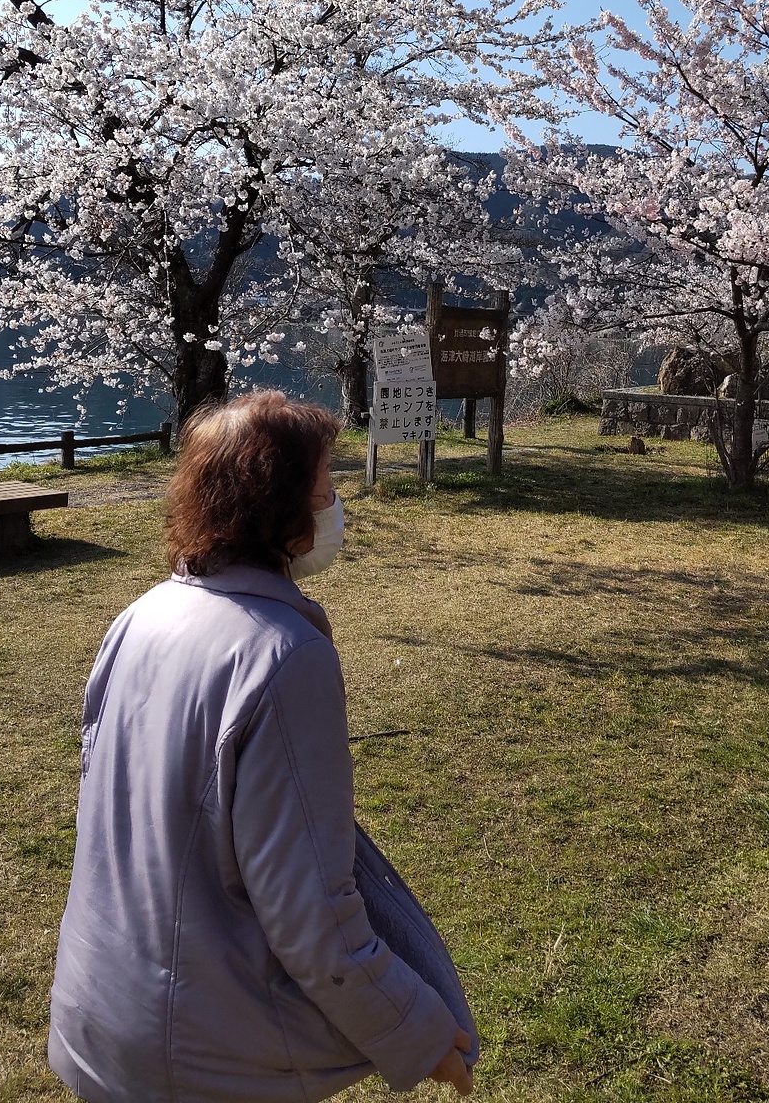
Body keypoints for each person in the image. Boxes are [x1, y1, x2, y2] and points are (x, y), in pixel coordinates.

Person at [49, 391, 477, 1103]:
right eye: (324, 487)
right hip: (204, 1057)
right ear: (277, 507)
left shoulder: (141, 615)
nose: (334, 506)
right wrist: (419, 1032)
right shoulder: (285, 657)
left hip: (104, 1010)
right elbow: (309, 907)